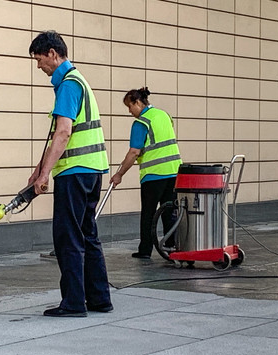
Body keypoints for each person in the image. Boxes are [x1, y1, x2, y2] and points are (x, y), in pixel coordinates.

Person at [28, 30, 112, 317]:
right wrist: (39, 169)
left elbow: (63, 133)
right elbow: (60, 134)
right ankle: (100, 299)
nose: (39, 67)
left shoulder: (67, 84)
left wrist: (44, 175)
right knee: (87, 234)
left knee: (69, 237)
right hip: (91, 171)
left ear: (53, 53)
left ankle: (74, 302)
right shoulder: (79, 81)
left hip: (74, 173)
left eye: (39, 60)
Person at [110, 87, 182, 259]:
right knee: (169, 212)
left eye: (129, 106)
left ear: (137, 102)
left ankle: (145, 250)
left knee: (148, 214)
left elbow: (135, 151)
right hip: (174, 171)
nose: (129, 111)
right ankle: (172, 247)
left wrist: (119, 174)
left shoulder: (141, 122)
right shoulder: (164, 115)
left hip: (154, 174)